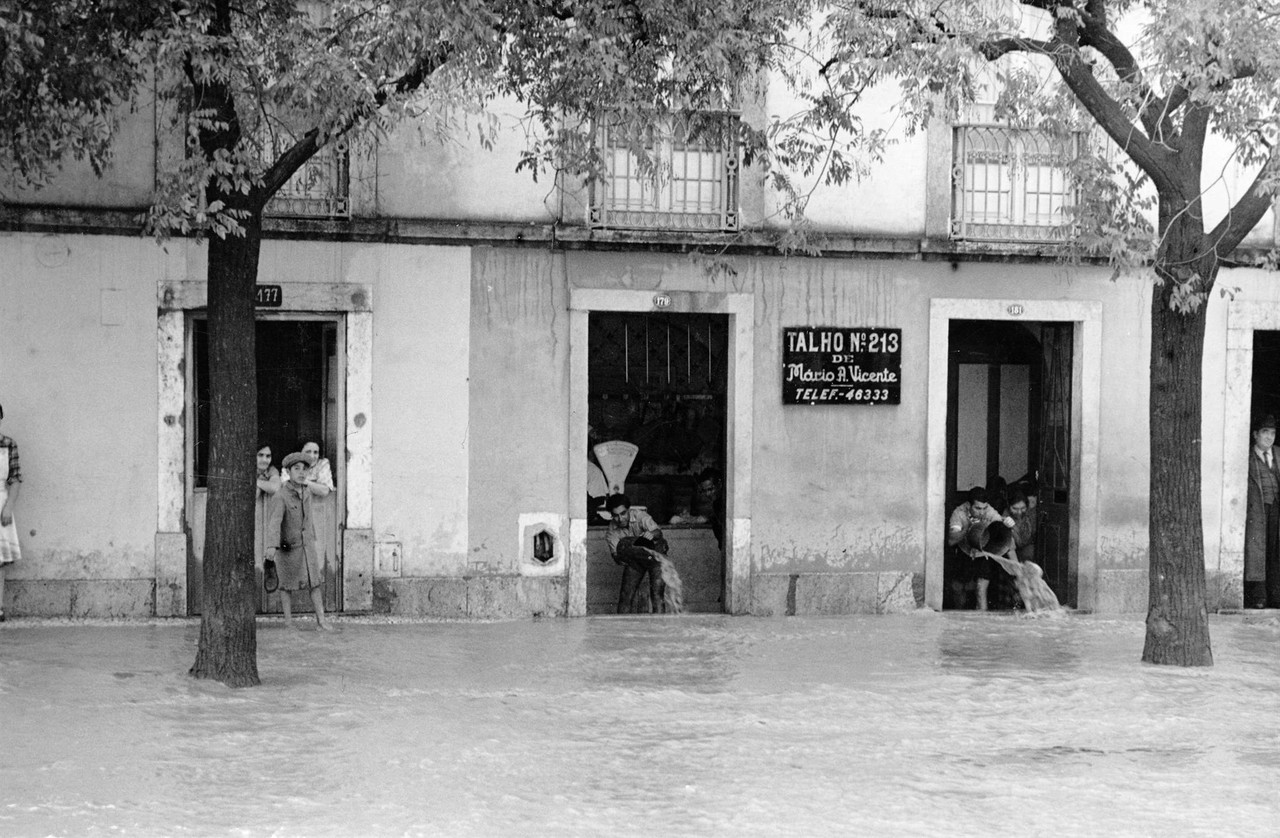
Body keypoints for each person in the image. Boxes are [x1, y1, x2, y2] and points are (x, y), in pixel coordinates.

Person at [264, 452, 334, 630]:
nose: (301, 473)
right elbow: (274, 523)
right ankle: (288, 622)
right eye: (296, 469)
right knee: (286, 585)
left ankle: (321, 621)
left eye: (304, 469)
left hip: (307, 546)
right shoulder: (281, 496)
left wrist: (311, 538)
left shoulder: (307, 491)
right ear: (288, 472)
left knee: (314, 583)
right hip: (288, 546)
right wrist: (272, 546)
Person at [946, 485, 1016, 611]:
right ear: (969, 505)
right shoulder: (959, 513)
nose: (982, 512)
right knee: (958, 589)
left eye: (984, 508)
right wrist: (968, 529)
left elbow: (1004, 535)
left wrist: (1006, 522)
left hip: (983, 553)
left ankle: (983, 619)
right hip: (964, 552)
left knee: (980, 589)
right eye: (977, 508)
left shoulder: (989, 511)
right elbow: (951, 540)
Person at [606, 493, 670, 613]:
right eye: (615, 516)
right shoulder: (611, 531)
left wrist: (652, 534)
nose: (620, 519)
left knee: (657, 594)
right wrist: (622, 556)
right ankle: (621, 625)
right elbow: (616, 556)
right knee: (626, 595)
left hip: (655, 556)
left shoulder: (640, 516)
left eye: (623, 513)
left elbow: (658, 532)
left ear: (629, 510)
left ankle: (660, 624)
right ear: (611, 515)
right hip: (635, 560)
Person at [1245, 415, 1280, 608]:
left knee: (1275, 551)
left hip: (1276, 510)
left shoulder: (1278, 454)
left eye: (1272, 433)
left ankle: (1275, 595)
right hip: (1256, 511)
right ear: (1255, 434)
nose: (1269, 437)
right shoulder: (1248, 456)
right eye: (1265, 432)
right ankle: (1258, 597)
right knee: (1257, 551)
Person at [0, 403, 21, 622]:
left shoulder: (8, 444)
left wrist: (8, 507)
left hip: (0, 501)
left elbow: (14, 479)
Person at [254, 444, 281, 594]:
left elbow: (275, 488)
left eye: (268, 456)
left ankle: (269, 563)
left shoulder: (271, 470)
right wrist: (265, 484)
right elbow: (255, 495)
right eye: (260, 455)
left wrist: (256, 482)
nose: (265, 460)